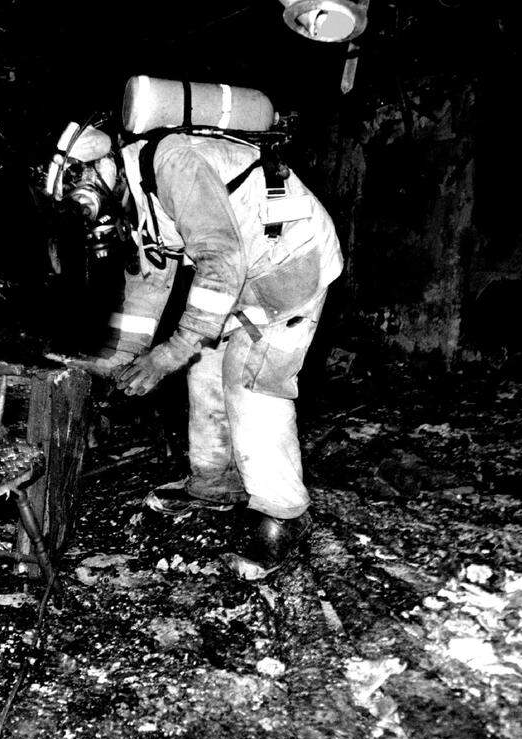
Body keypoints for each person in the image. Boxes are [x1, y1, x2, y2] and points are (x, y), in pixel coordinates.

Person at [50, 103, 342, 566]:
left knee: (250, 379)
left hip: (288, 266)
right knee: (203, 368)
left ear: (102, 163)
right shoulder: (138, 195)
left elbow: (219, 258)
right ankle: (215, 483)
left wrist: (171, 351)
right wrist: (124, 356)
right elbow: (151, 278)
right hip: (240, 276)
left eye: (80, 187)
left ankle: (284, 513)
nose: (86, 205)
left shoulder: (172, 163)